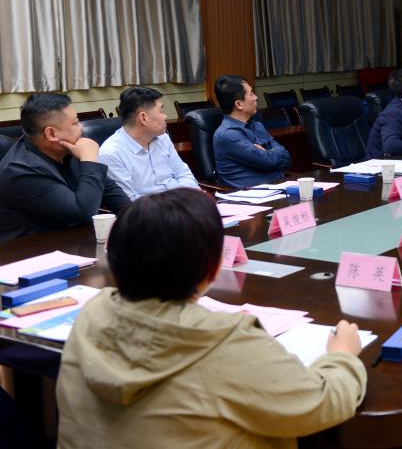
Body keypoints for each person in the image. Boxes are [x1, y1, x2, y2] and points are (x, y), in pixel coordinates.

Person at [56, 188, 367, 448]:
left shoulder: (92, 313)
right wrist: (342, 356)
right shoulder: (224, 342)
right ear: (214, 267)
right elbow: (321, 404)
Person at [0, 93, 130, 241]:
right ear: (51, 134)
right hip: (28, 250)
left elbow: (120, 203)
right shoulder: (20, 172)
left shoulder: (67, 151)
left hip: (71, 242)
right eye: (75, 123)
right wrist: (90, 159)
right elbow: (83, 214)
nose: (81, 128)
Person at [98, 87, 199, 199]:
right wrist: (176, 203)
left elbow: (183, 174)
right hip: (152, 209)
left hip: (183, 203)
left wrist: (190, 198)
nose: (165, 116)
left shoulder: (163, 138)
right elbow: (129, 202)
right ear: (143, 118)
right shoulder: (111, 154)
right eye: (161, 111)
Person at [213, 75, 291, 188]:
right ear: (239, 104)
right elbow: (267, 161)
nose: (256, 97)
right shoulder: (228, 134)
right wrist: (272, 153)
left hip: (277, 187)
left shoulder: (257, 125)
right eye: (251, 94)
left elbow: (287, 158)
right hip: (250, 194)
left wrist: (269, 153)